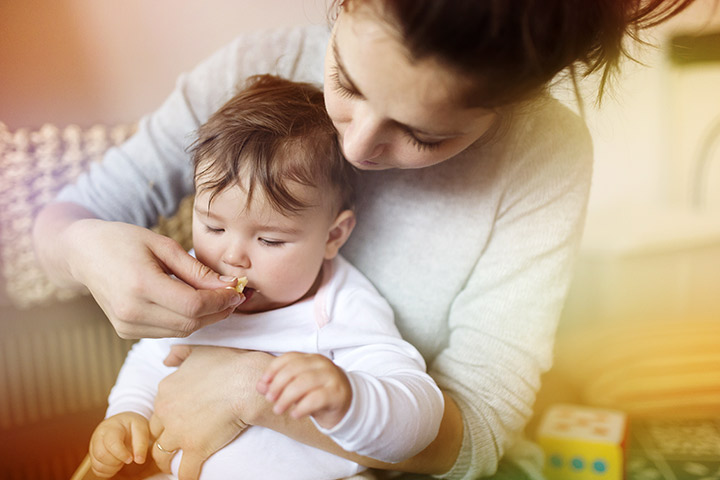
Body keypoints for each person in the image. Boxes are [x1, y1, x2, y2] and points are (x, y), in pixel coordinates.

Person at [32, 1, 697, 479]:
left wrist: (256, 395)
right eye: (345, 82)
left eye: (424, 134)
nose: (356, 146)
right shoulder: (253, 73)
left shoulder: (541, 159)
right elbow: (70, 231)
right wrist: (83, 247)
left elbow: (476, 433)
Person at [87, 74, 444, 480]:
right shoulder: (187, 286)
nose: (233, 256)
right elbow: (151, 358)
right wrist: (127, 413)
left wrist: (350, 399)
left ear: (333, 236)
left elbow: (422, 417)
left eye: (271, 240)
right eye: (214, 227)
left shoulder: (340, 306)